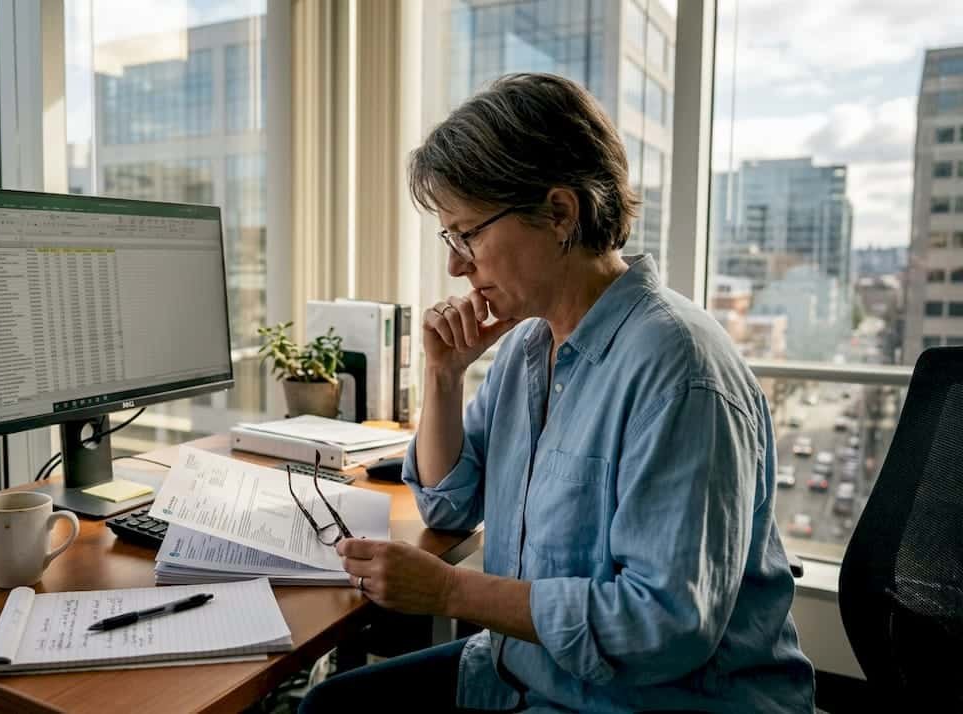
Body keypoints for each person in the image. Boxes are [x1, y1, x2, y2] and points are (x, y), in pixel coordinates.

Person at [299, 73, 815, 713]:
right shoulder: (527, 348)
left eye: (469, 234)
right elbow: (447, 505)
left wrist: (453, 592)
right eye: (450, 238)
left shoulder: (680, 371)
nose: (456, 265)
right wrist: (444, 376)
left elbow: (663, 625)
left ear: (560, 213)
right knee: (329, 707)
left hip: (651, 699)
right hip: (528, 671)